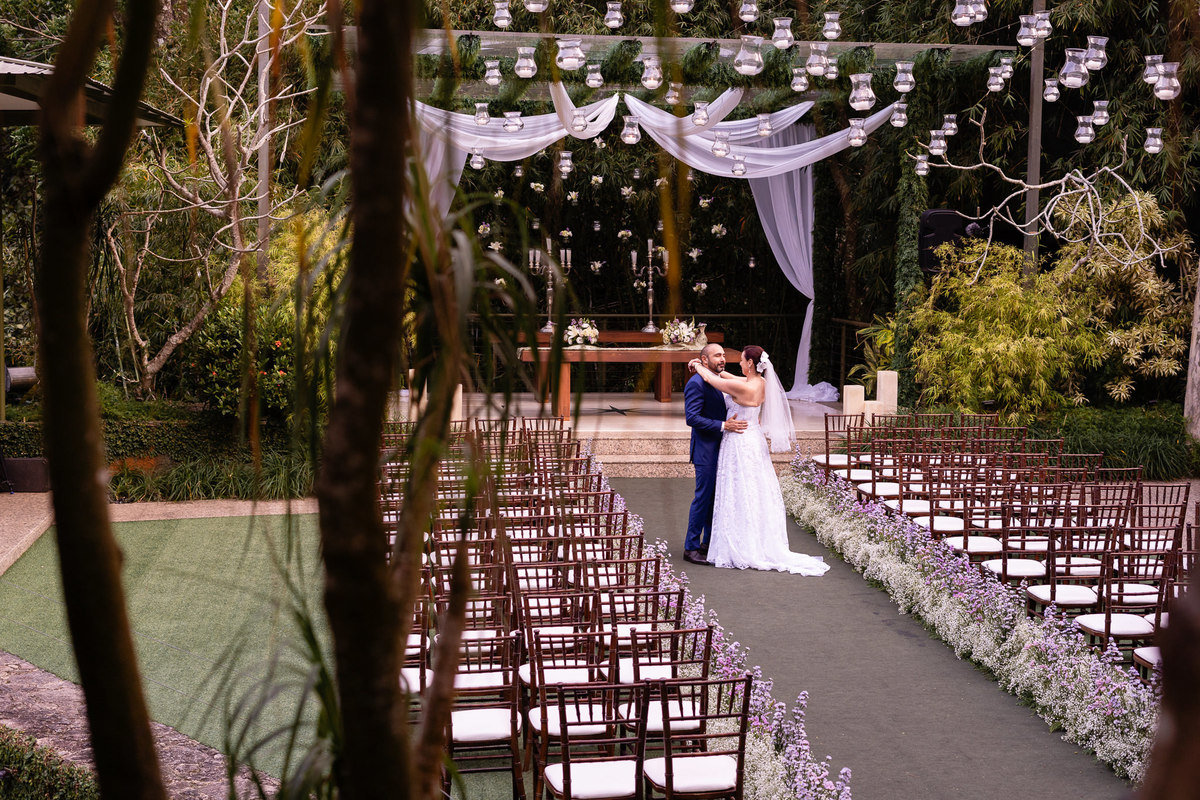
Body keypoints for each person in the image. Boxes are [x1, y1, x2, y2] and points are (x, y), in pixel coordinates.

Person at [687, 346, 829, 576]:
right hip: (754, 440)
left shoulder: (742, 386)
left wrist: (698, 366)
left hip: (739, 443)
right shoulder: (760, 383)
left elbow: (717, 381)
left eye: (741, 360)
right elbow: (726, 376)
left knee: (739, 491)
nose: (736, 363)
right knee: (753, 491)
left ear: (750, 363)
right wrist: (705, 365)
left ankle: (740, 543)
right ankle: (748, 537)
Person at [683, 343, 746, 565]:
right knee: (702, 498)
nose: (722, 359)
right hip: (705, 451)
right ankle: (690, 548)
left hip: (723, 449)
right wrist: (723, 426)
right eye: (716, 355)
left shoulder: (719, 380)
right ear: (704, 360)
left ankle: (708, 543)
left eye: (723, 355)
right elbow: (692, 418)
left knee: (715, 499)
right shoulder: (696, 383)